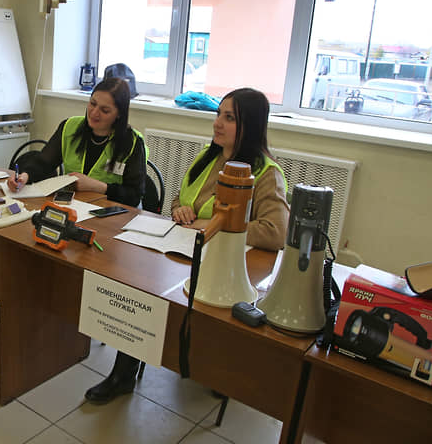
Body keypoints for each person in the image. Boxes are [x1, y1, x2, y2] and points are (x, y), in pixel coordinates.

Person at [84, 87, 290, 405]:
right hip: (184, 247)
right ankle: (125, 370)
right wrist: (181, 209)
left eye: (229, 118)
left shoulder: (265, 174)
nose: (217, 123)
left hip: (225, 263)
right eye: (218, 114)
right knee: (138, 282)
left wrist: (218, 226)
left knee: (168, 294)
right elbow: (184, 198)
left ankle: (209, 365)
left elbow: (275, 232)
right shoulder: (208, 158)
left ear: (250, 125)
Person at [7, 77, 146, 207]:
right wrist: (24, 176)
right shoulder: (70, 127)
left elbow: (134, 196)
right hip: (74, 205)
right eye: (93, 104)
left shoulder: (133, 143)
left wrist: (98, 187)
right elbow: (43, 163)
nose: (94, 113)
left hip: (111, 212)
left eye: (104, 110)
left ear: (119, 114)